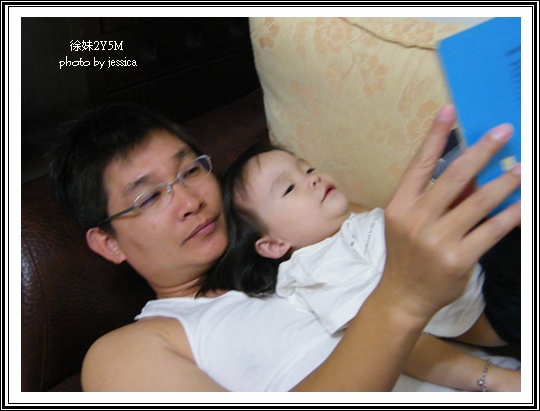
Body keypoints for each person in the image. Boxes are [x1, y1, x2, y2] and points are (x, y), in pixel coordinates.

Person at [48, 102, 521, 392]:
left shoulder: (299, 231)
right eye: (150, 197)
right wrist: (400, 301)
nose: (190, 202)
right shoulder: (128, 350)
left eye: (191, 171)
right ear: (108, 243)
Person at [205, 142, 521, 391]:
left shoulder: (345, 225)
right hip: (495, 297)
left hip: (480, 254)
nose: (312, 177)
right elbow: (400, 345)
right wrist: (496, 379)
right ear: (274, 245)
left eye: (307, 168)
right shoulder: (316, 270)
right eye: (288, 188)